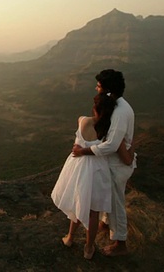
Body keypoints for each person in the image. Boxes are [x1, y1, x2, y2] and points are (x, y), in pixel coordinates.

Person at [51, 92, 132, 260]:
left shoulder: (83, 121)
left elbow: (80, 124)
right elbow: (122, 154)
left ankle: (70, 238)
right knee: (93, 211)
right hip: (98, 171)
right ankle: (89, 248)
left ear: (95, 108)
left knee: (77, 202)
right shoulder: (109, 131)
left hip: (78, 168)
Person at [72, 69, 135, 257]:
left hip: (117, 165)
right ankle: (105, 224)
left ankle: (120, 243)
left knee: (116, 204)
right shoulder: (117, 106)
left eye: (99, 86)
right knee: (108, 197)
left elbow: (111, 145)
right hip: (115, 162)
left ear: (108, 90)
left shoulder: (120, 112)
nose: (95, 88)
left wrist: (83, 151)